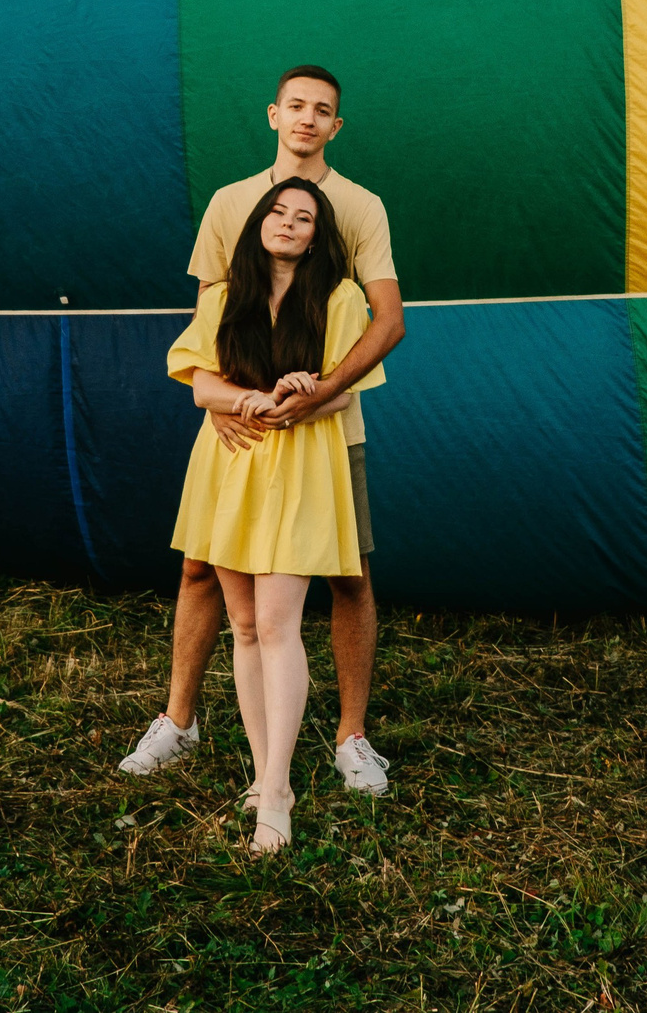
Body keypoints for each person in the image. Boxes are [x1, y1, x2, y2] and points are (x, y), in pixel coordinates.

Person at [119, 66, 404, 797]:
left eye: (324, 111)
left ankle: (351, 737)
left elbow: (386, 320)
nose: (309, 119)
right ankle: (179, 720)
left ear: (336, 126)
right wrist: (223, 399)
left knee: (349, 572)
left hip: (324, 431)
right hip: (239, 432)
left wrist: (322, 395)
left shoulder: (359, 207)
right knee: (201, 569)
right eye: (298, 106)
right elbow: (212, 315)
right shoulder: (232, 202)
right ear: (274, 114)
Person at [164, 176, 384, 852]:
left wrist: (298, 394)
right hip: (231, 463)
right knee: (246, 624)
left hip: (300, 463)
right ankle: (262, 777)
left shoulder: (342, 297)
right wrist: (239, 401)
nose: (289, 222)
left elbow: (342, 394)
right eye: (278, 212)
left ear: (320, 235)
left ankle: (279, 789)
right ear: (259, 222)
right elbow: (196, 375)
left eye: (305, 217)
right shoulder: (226, 294)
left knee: (281, 623)